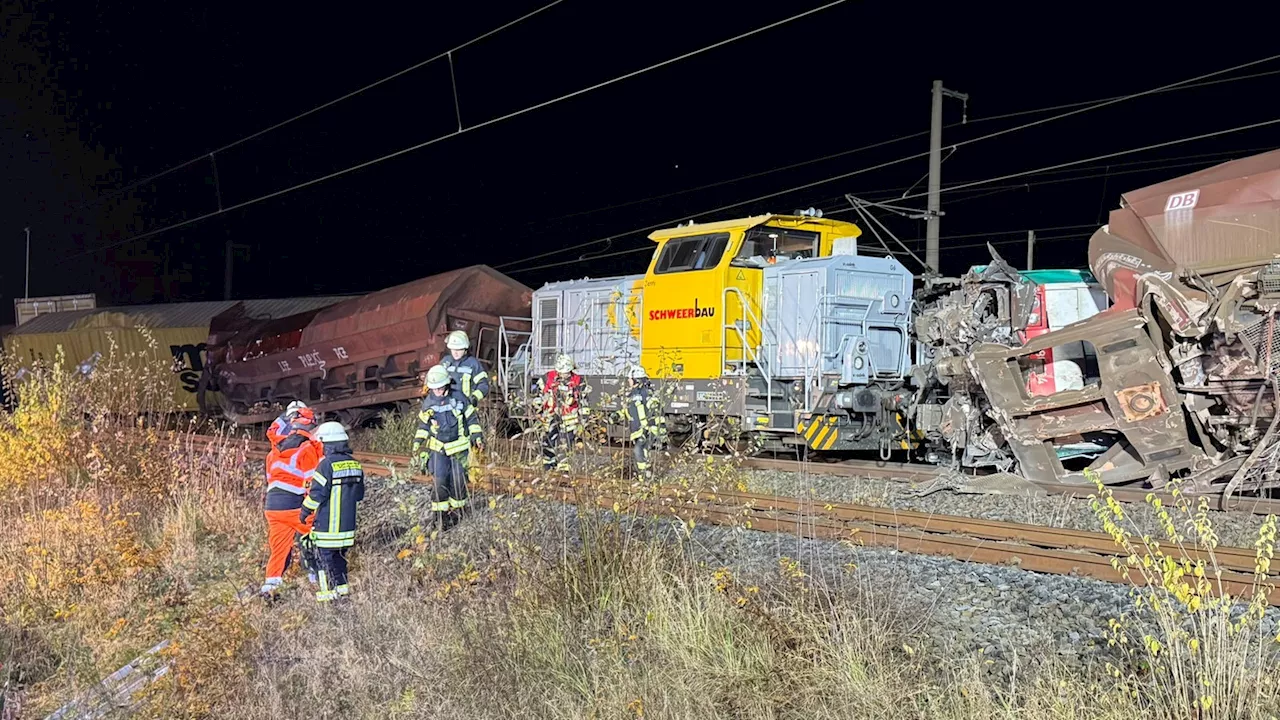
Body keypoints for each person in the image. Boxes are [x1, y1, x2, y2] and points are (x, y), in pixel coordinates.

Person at [300, 421, 366, 603]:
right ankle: (343, 595)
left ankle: (329, 599)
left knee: (324, 562)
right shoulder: (355, 465)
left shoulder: (326, 466)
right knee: (339, 561)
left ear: (327, 444)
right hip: (347, 529)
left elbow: (317, 495)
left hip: (328, 527)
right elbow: (359, 495)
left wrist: (305, 511)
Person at [412, 365, 483, 529]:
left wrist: (477, 437)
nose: (436, 391)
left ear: (446, 384)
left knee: (458, 481)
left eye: (439, 387)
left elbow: (472, 419)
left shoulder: (459, 398)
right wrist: (418, 442)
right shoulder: (428, 402)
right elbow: (424, 425)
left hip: (459, 448)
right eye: (433, 388)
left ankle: (458, 513)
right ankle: (439, 516)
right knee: (440, 480)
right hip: (438, 449)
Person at [260, 421, 324, 597]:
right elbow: (312, 484)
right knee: (315, 537)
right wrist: (313, 507)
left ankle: (271, 586)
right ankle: (317, 578)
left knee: (279, 548)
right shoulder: (307, 449)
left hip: (272, 507)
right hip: (294, 505)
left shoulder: (273, 453)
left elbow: (270, 479)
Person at [620, 364, 666, 481]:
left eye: (630, 379)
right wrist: (616, 416)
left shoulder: (647, 393)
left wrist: (659, 432)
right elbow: (628, 410)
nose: (628, 381)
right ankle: (644, 478)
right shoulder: (632, 394)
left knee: (639, 451)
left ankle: (645, 477)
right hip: (637, 430)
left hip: (646, 430)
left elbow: (657, 412)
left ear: (635, 379)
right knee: (641, 454)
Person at [539, 354, 583, 472]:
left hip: (569, 419)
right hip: (551, 416)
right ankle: (548, 468)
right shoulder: (547, 378)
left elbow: (584, 401)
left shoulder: (578, 380)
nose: (564, 375)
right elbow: (538, 395)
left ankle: (564, 472)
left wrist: (583, 420)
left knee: (565, 444)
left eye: (567, 372)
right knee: (548, 442)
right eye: (562, 372)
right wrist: (539, 409)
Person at [440, 330, 490, 408]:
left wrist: (475, 397)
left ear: (465, 349)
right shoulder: (445, 362)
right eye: (453, 349)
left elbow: (483, 384)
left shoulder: (473, 364)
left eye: (459, 349)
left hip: (466, 408)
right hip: (447, 407)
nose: (455, 352)